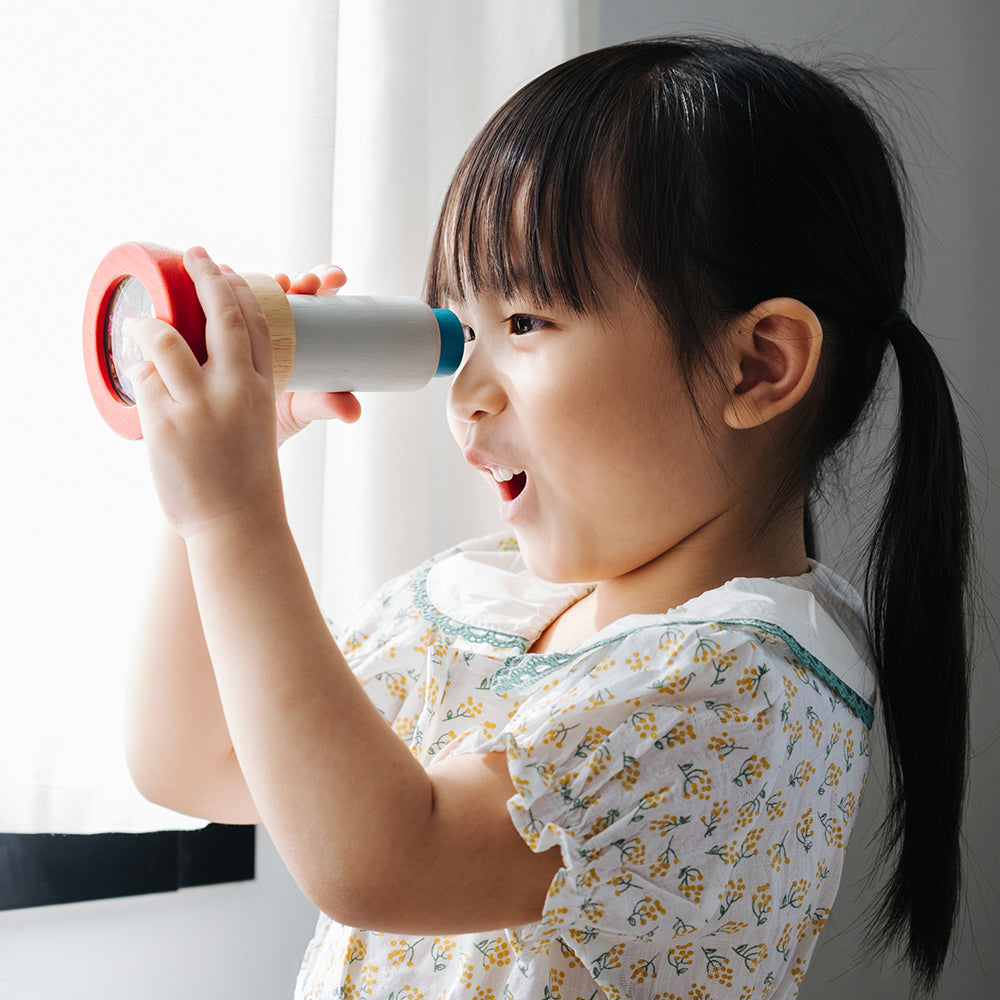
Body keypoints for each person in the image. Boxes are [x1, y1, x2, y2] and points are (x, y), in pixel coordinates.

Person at [123, 36, 972, 1000]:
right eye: (463, 330)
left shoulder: (745, 684)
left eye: (524, 323)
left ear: (757, 366)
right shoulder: (489, 610)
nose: (467, 394)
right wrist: (210, 483)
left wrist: (234, 517)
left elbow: (382, 861)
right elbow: (193, 763)